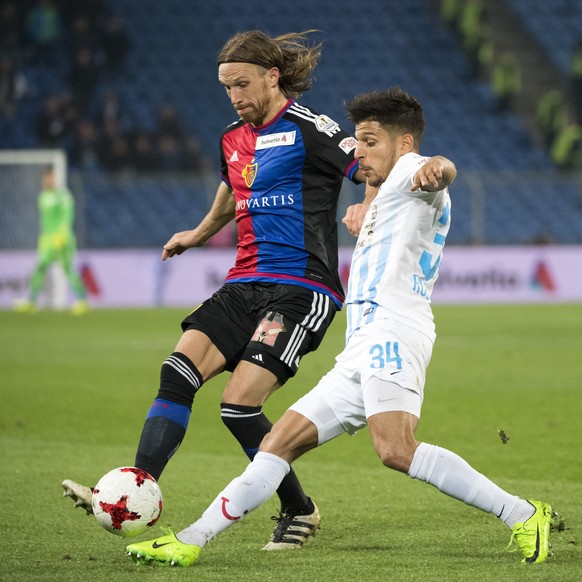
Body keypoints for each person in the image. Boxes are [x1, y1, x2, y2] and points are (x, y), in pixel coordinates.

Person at [125, 87, 558, 567]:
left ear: (404, 143)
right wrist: (364, 207)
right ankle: (191, 540)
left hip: (395, 332)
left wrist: (440, 168)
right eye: (357, 140)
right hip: (361, 345)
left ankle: (522, 514)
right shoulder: (382, 192)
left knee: (395, 449)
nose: (361, 152)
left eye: (371, 142)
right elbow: (384, 188)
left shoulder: (415, 175)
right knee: (277, 443)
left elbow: (439, 168)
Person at [63, 29, 387, 550]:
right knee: (177, 371)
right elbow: (230, 193)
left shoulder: (311, 127)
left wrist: (368, 203)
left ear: (272, 76)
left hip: (301, 287)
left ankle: (298, 510)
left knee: (238, 406)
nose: (235, 96)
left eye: (242, 83)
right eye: (226, 87)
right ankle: (135, 488)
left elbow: (373, 163)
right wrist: (197, 233)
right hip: (242, 282)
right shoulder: (231, 137)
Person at [15, 166, 88, 314]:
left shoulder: (63, 195)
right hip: (48, 240)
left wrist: (61, 235)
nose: (48, 180)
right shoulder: (42, 196)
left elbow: (67, 218)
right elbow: (45, 221)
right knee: (40, 267)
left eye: (51, 177)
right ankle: (32, 301)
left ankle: (82, 300)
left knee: (67, 269)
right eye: (46, 178)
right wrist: (44, 238)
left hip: (62, 240)